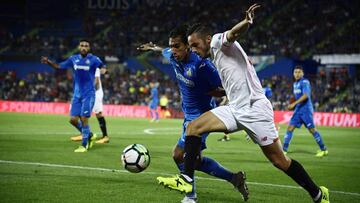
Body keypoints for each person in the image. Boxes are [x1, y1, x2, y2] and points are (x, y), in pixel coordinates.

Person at [156, 4, 329, 203]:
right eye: (191, 46)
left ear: (206, 39)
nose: (193, 49)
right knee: (193, 128)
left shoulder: (217, 42)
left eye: (195, 45)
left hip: (255, 109)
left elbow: (232, 34)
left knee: (280, 161)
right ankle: (186, 179)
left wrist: (246, 22)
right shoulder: (211, 57)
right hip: (235, 108)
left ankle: (318, 194)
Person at [138, 25, 248, 203]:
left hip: (201, 118)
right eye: (171, 46)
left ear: (187, 46)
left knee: (180, 155)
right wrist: (153, 47)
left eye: (177, 46)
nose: (173, 51)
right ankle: (234, 178)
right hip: (188, 116)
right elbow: (163, 50)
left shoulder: (202, 65)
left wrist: (215, 93)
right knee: (194, 161)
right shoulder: (173, 55)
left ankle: (190, 196)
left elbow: (227, 87)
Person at [41, 39, 105, 152]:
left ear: (89, 48)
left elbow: (102, 66)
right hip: (77, 95)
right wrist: (48, 62)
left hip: (88, 94)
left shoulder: (94, 59)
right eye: (82, 45)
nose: (84, 47)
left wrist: (104, 70)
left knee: (84, 118)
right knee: (73, 120)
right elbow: (58, 66)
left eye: (86, 45)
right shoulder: (73, 59)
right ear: (79, 47)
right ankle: (88, 134)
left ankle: (84, 145)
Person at [283, 66, 328, 157]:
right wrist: (292, 104)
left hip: (306, 110)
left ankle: (323, 149)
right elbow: (296, 97)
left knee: (312, 130)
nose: (297, 74)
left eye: (299, 72)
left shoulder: (305, 82)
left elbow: (306, 95)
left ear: (302, 73)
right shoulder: (295, 84)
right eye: (295, 72)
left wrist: (294, 104)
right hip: (298, 110)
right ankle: (284, 150)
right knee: (290, 128)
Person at [70, 68, 110, 144]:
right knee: (79, 114)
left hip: (96, 93)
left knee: (98, 114)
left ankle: (105, 137)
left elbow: (97, 83)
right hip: (86, 94)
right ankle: (84, 134)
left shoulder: (94, 67)